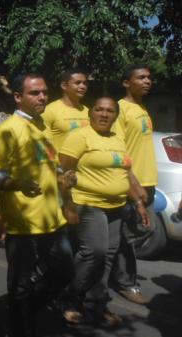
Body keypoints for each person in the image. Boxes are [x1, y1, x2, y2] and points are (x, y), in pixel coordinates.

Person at [0, 73, 75, 337]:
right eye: (34, 93)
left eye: (44, 92)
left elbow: (50, 165)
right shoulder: (7, 131)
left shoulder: (43, 127)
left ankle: (27, 313)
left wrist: (64, 178)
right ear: (18, 97)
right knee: (21, 286)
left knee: (64, 272)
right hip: (23, 224)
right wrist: (17, 184)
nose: (42, 97)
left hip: (53, 220)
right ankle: (19, 327)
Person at [60, 97, 150, 326]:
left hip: (116, 207)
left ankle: (96, 304)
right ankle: (70, 297)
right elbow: (63, 173)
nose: (104, 114)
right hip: (88, 204)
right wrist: (68, 206)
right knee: (95, 252)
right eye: (99, 109)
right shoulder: (80, 136)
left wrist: (138, 203)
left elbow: (125, 174)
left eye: (110, 111)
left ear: (115, 116)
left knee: (107, 258)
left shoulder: (118, 138)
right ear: (91, 113)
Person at [109, 64, 158, 305]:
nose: (148, 81)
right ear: (127, 82)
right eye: (142, 77)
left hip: (148, 182)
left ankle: (111, 272)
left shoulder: (142, 108)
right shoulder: (121, 109)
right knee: (128, 235)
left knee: (136, 232)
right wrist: (132, 184)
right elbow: (118, 151)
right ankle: (126, 283)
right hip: (133, 183)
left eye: (149, 77)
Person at [42, 68, 90, 151]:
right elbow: (43, 143)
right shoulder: (50, 110)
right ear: (64, 85)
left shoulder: (88, 111)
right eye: (78, 83)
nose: (83, 86)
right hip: (60, 163)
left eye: (85, 83)